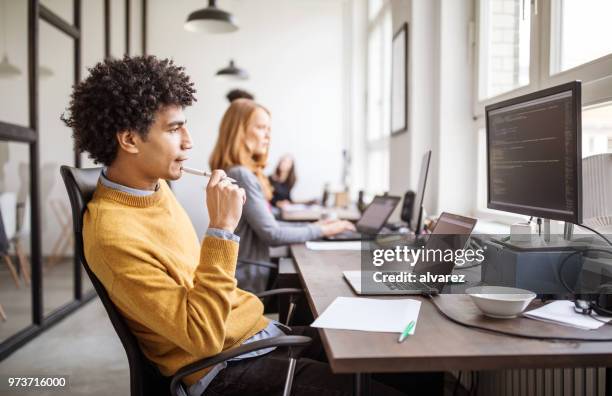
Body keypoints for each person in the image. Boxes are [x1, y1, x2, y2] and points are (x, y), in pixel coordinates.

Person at [62, 56, 408, 396]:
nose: (188, 141)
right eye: (173, 128)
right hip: (223, 367)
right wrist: (221, 229)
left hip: (256, 335)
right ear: (130, 140)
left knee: (399, 356)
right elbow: (202, 337)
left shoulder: (154, 189)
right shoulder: (112, 234)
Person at [209, 99, 356, 293]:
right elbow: (272, 234)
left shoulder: (235, 172)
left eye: (268, 129)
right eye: (261, 128)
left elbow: (270, 224)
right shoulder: (241, 174)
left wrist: (315, 226)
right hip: (246, 281)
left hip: (246, 273)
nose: (267, 136)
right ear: (239, 132)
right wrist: (322, 231)